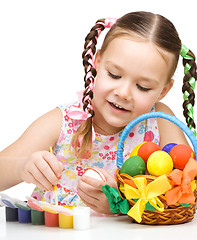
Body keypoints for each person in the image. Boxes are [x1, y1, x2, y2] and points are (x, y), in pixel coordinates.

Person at [0, 11, 196, 214]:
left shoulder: (160, 122)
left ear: (163, 91)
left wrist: (123, 204)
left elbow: (187, 191)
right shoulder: (64, 122)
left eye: (143, 87)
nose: (123, 93)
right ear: (98, 62)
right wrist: (21, 168)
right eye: (114, 75)